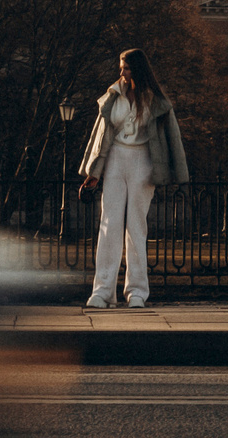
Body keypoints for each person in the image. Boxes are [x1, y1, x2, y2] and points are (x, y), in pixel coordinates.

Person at [77, 48, 189, 308]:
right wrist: (93, 172)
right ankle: (102, 291)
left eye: (126, 68)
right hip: (115, 159)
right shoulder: (113, 95)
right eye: (121, 68)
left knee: (136, 227)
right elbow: (100, 135)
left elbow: (174, 139)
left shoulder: (155, 100)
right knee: (108, 226)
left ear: (137, 69)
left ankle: (137, 291)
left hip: (143, 161)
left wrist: (180, 176)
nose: (122, 73)